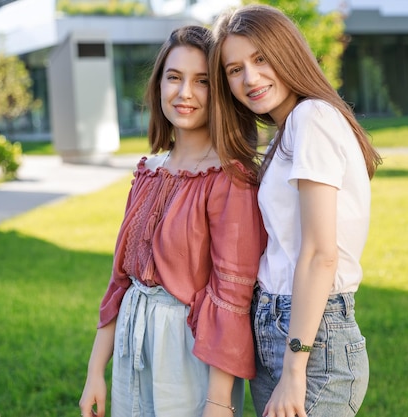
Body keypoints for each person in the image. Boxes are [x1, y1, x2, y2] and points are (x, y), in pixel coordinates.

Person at [79, 25, 266, 417]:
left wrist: (218, 402)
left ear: (219, 93)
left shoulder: (231, 179)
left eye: (202, 82)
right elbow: (120, 281)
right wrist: (96, 370)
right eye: (174, 78)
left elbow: (231, 297)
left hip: (187, 352)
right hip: (133, 341)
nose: (184, 93)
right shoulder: (149, 170)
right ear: (158, 84)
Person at [210, 5, 382, 417]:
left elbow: (320, 253)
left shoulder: (312, 118)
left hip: (310, 335)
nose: (249, 78)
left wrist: (294, 367)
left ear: (287, 52)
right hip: (279, 322)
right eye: (235, 70)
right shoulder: (288, 130)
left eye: (260, 59)